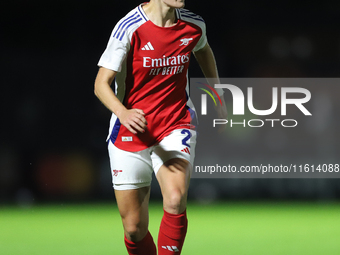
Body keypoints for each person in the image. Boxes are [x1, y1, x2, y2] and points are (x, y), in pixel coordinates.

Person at [94, 0, 227, 254]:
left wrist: (217, 93)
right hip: (131, 131)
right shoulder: (129, 27)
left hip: (175, 124)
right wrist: (123, 113)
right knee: (134, 228)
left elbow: (203, 49)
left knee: (175, 198)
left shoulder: (193, 24)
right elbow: (101, 83)